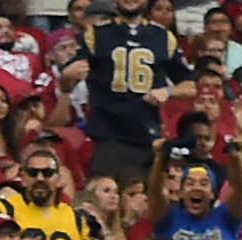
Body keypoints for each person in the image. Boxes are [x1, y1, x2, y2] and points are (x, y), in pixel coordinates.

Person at [61, 0, 194, 177]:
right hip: (108, 136)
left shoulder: (163, 36)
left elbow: (191, 86)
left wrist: (168, 91)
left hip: (149, 137)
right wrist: (67, 76)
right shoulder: (97, 34)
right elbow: (67, 83)